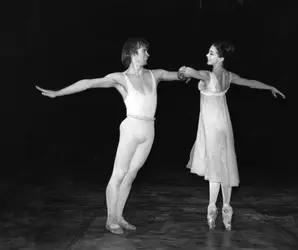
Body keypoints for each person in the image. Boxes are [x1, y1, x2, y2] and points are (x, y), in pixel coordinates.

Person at [36, 38, 187, 235]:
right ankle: (110, 219)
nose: (148, 54)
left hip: (149, 130)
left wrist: (187, 73)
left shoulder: (155, 74)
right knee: (118, 174)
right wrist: (57, 93)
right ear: (132, 53)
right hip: (131, 128)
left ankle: (120, 216)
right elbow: (89, 83)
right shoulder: (120, 78)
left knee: (131, 175)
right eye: (144, 51)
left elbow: (179, 75)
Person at [178, 42, 285, 231]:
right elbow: (250, 83)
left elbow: (190, 72)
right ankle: (226, 208)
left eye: (211, 53)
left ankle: (213, 209)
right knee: (224, 164)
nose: (207, 55)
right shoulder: (229, 76)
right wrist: (269, 87)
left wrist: (183, 71)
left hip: (212, 127)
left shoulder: (207, 75)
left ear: (221, 58)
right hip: (223, 126)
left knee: (215, 167)